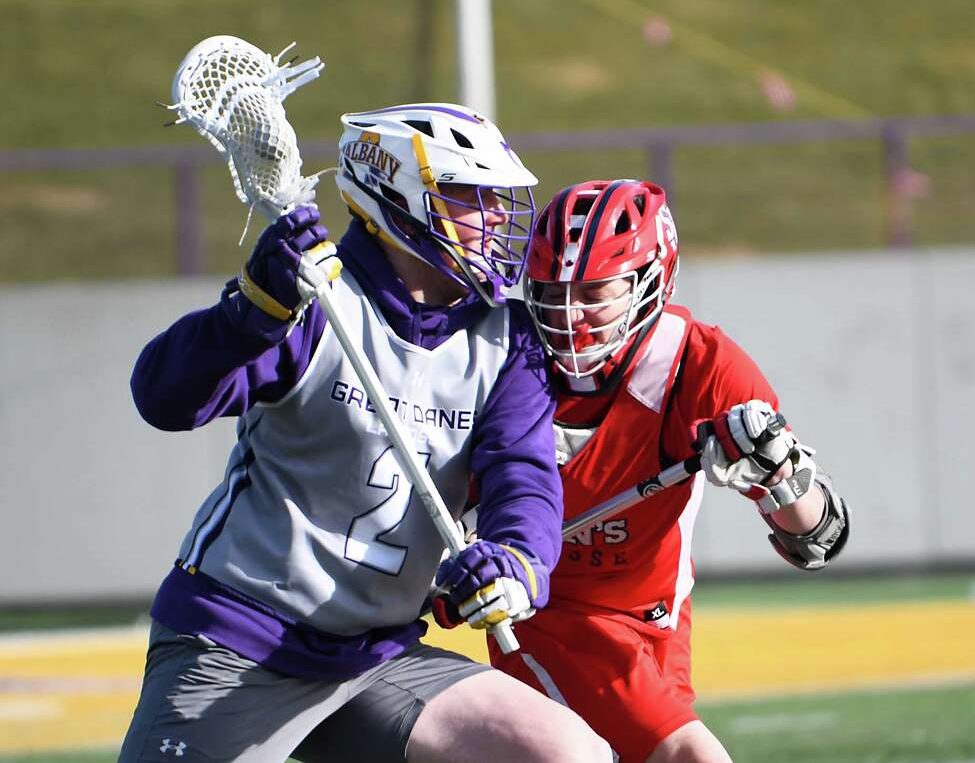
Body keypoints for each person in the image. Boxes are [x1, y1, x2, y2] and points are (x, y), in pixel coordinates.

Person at [119, 104, 611, 763]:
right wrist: (249, 313)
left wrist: (516, 561)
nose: (495, 219)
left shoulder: (507, 336)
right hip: (238, 646)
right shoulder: (309, 298)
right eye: (470, 197)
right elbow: (163, 397)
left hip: (376, 660)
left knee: (562, 752)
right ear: (398, 199)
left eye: (497, 200)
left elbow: (521, 479)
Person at [486, 179, 851, 763]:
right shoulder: (503, 354)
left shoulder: (701, 366)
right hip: (548, 613)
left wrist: (773, 471)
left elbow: (819, 539)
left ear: (650, 281)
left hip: (660, 619)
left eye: (595, 292)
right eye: (553, 293)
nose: (569, 314)